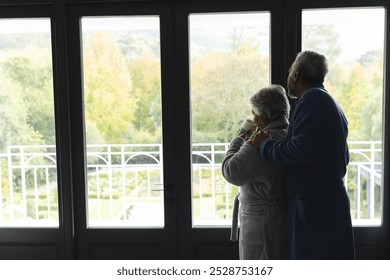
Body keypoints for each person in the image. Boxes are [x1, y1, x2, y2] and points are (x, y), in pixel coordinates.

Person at [249, 50, 356, 259]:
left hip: (315, 206)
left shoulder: (313, 100)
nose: (288, 76)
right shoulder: (328, 101)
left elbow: (300, 150)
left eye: (290, 71)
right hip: (324, 202)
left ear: (296, 74)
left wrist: (265, 144)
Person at [222, 84, 290, 260]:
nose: (253, 117)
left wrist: (238, 140)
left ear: (264, 116)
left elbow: (231, 171)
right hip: (283, 219)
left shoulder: (259, 143)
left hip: (260, 223)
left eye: (254, 113)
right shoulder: (290, 135)